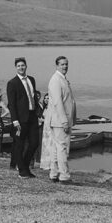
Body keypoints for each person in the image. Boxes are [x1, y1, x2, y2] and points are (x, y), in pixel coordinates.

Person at [6, 57, 40, 178]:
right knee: (19, 145)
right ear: (16, 68)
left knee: (34, 143)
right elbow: (11, 104)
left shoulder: (31, 79)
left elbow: (34, 97)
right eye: (19, 66)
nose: (21, 67)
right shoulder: (12, 83)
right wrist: (15, 121)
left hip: (32, 116)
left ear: (26, 66)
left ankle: (25, 166)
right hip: (20, 119)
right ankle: (22, 171)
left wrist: (38, 112)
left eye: (23, 65)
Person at [47, 55, 77, 183]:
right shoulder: (56, 80)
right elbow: (58, 103)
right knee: (62, 148)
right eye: (62, 64)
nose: (65, 66)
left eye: (66, 64)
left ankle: (54, 174)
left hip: (61, 120)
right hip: (59, 121)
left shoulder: (62, 79)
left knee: (57, 148)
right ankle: (64, 176)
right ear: (57, 66)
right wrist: (65, 121)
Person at [39, 92, 52, 170]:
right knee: (44, 146)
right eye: (45, 98)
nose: (46, 100)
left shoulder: (52, 108)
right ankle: (44, 164)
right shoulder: (44, 108)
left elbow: (51, 119)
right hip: (45, 129)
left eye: (48, 98)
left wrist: (43, 120)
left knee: (49, 146)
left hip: (50, 129)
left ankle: (49, 164)